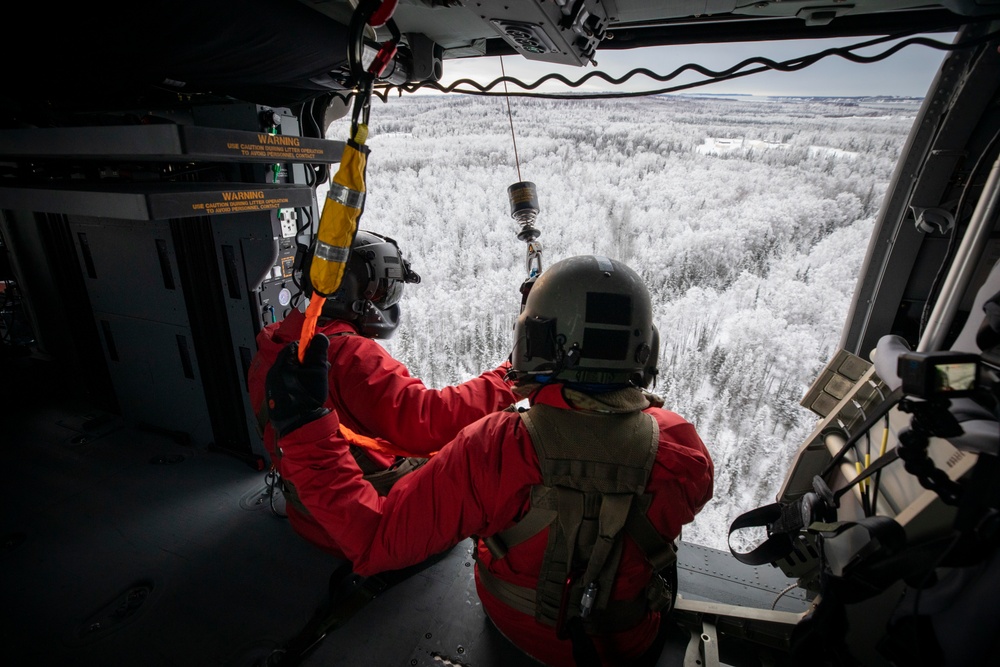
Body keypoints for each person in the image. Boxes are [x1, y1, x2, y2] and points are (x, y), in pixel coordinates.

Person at [265, 254, 715, 666]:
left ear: (530, 341)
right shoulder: (682, 447)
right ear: (647, 350)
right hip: (628, 641)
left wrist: (307, 431)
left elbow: (373, 542)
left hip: (515, 627)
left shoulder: (493, 448)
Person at [248, 230, 517, 557]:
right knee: (486, 454)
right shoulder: (353, 357)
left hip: (308, 515)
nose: (385, 302)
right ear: (350, 291)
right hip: (364, 521)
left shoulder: (271, 344)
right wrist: (508, 377)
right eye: (382, 291)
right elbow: (430, 422)